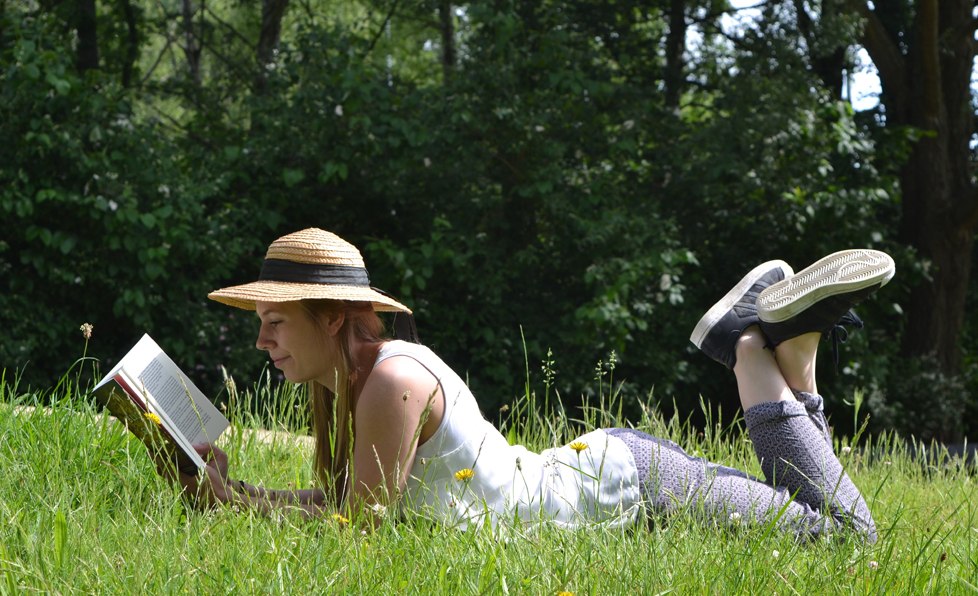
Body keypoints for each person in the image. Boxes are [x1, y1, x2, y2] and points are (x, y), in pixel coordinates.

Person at [155, 228, 893, 541]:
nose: (261, 341)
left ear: (332, 318)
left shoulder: (391, 380)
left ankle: (747, 347)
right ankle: (794, 350)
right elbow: (346, 506)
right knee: (820, 519)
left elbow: (358, 530)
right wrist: (235, 494)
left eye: (275, 322)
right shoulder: (355, 383)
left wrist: (234, 506)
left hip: (635, 487)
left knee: (847, 538)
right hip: (606, 476)